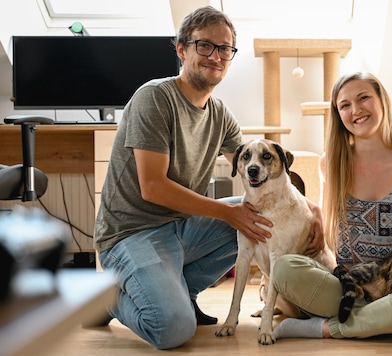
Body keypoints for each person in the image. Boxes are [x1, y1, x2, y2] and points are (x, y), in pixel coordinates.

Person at [91, 6, 324, 350]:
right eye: (205, 46)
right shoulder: (154, 98)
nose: (216, 56)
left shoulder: (220, 115)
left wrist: (311, 208)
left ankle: (183, 292)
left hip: (182, 227)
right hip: (131, 233)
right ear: (181, 49)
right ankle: (107, 296)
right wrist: (229, 213)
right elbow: (152, 186)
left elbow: (258, 169)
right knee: (172, 330)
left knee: (258, 219)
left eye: (225, 49)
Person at [271, 72, 392, 341]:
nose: (356, 110)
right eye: (345, 105)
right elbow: (326, 224)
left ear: (382, 101)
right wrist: (314, 212)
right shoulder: (331, 163)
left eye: (364, 98)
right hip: (352, 289)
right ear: (338, 115)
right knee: (284, 269)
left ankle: (325, 328)